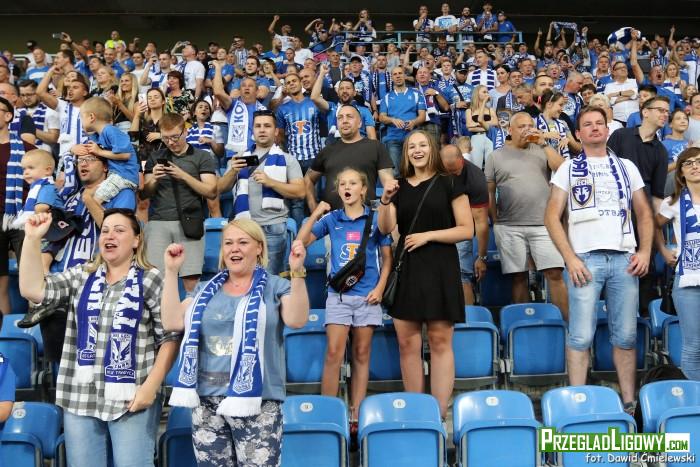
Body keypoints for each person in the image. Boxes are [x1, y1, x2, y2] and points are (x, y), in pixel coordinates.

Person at [18, 209, 179, 467]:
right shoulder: (81, 275)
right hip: (80, 395)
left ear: (136, 240)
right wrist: (32, 238)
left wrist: (150, 387)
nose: (109, 235)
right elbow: (33, 289)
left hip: (132, 396)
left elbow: (170, 337)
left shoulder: (151, 278)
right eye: (105, 230)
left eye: (119, 230)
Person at [161, 220, 309, 467]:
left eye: (243, 242)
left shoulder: (275, 285)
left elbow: (297, 319)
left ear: (259, 248)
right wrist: (170, 271)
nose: (234, 249)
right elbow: (172, 321)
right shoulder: (203, 289)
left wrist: (297, 272)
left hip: (259, 400)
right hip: (207, 401)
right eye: (228, 243)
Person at [545, 106, 653, 412]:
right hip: (585, 259)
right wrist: (569, 258)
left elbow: (644, 213)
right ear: (578, 134)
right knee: (580, 336)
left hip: (624, 259)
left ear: (607, 130)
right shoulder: (568, 167)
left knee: (626, 336)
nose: (594, 128)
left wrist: (645, 251)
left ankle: (629, 403)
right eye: (587, 124)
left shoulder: (627, 166)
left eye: (599, 123)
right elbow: (551, 216)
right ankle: (577, 404)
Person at [377, 130, 473, 418]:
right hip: (407, 266)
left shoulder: (449, 183)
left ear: (432, 149)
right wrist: (385, 200)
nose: (416, 150)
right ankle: (416, 412)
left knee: (440, 341)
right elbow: (385, 229)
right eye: (411, 147)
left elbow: (466, 229)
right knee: (407, 343)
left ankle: (438, 413)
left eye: (422, 145)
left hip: (440, 266)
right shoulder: (398, 187)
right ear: (405, 153)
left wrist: (428, 235)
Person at [298, 168, 392, 436]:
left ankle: (356, 415)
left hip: (367, 297)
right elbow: (301, 242)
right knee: (333, 353)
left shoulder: (375, 218)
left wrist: (380, 288)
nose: (347, 187)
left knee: (362, 354)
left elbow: (387, 259)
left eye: (352, 183)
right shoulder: (332, 219)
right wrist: (316, 213)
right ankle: (328, 413)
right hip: (338, 296)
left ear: (363, 189)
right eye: (342, 184)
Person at [485, 112, 569, 318]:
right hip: (509, 225)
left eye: (530, 125)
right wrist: (495, 221)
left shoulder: (542, 150)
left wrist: (544, 144)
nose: (527, 130)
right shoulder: (495, 156)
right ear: (509, 130)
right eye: (521, 126)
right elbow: (489, 192)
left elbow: (563, 169)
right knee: (518, 277)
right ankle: (525, 325)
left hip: (544, 224)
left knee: (555, 273)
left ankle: (567, 327)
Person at [218, 109, 305, 274]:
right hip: (244, 228)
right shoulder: (239, 157)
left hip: (273, 227)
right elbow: (220, 188)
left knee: (269, 279)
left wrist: (271, 182)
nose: (262, 130)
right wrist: (232, 171)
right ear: (253, 131)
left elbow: (300, 192)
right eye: (258, 126)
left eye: (267, 126)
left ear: (276, 131)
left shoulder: (287, 159)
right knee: (242, 277)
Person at [141, 113, 217, 292]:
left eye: (175, 137)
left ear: (185, 131)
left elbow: (211, 192)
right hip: (158, 221)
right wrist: (154, 179)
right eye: (165, 138)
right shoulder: (156, 156)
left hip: (190, 222)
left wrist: (183, 175)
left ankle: (190, 310)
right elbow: (144, 194)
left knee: (191, 281)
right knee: (155, 280)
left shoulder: (202, 156)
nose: (171, 142)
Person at [656, 147, 700, 380]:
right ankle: (695, 398)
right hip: (688, 281)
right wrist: (664, 250)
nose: (695, 166)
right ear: (681, 172)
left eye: (699, 161)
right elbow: (653, 226)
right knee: (693, 345)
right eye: (688, 163)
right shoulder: (672, 202)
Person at [305, 104, 394, 211]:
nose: (344, 121)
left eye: (349, 116)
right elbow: (308, 178)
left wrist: (377, 211)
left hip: (366, 217)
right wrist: (314, 208)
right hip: (332, 218)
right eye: (340, 118)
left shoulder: (376, 147)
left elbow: (389, 185)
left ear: (360, 123)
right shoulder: (327, 151)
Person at [440, 144, 490, 305]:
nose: (452, 175)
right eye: (447, 171)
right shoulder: (430, 169)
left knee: (461, 274)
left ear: (462, 160)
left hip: (460, 229)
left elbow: (481, 223)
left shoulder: (475, 178)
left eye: (455, 171)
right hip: (433, 225)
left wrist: (481, 257)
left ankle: (468, 318)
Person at [0, 96, 36, 315]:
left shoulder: (27, 148)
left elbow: (41, 180)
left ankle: (35, 329)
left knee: (30, 277)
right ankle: (3, 332)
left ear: (8, 116)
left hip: (22, 217)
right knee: (0, 282)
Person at [74, 97, 139, 207]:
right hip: (115, 175)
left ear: (91, 117)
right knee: (91, 197)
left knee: (94, 201)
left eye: (82, 117)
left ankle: (105, 218)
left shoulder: (110, 130)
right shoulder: (98, 134)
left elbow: (126, 155)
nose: (81, 122)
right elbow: (85, 145)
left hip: (124, 176)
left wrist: (99, 152)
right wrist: (72, 149)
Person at [378, 67, 427, 176]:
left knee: (416, 170)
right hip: (393, 138)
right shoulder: (387, 97)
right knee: (395, 173)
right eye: (395, 74)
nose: (398, 76)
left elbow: (422, 116)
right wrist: (392, 120)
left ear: (404, 76)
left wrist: (414, 122)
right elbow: (381, 117)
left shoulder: (416, 94)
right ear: (392, 78)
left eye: (400, 73)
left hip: (412, 138)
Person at [535, 90, 582, 160]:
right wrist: (544, 135)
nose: (562, 109)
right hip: (542, 163)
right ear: (549, 104)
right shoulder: (534, 121)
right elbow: (526, 139)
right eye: (560, 105)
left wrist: (569, 141)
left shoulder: (563, 123)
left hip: (563, 164)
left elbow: (579, 149)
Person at [464, 85, 497, 169]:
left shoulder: (490, 110)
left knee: (490, 166)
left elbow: (495, 123)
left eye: (487, 92)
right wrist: (486, 125)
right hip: (476, 137)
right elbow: (469, 126)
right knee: (476, 165)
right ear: (477, 94)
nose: (487, 94)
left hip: (490, 137)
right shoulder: (469, 110)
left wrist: (477, 124)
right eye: (484, 92)